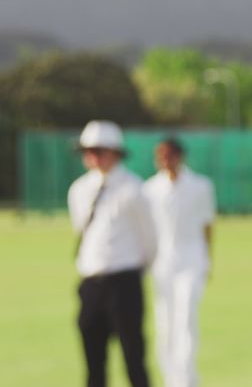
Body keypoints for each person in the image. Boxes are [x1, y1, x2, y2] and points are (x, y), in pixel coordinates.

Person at [69, 120, 156, 387]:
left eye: (99, 150)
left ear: (115, 153)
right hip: (91, 282)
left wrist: (134, 270)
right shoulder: (79, 189)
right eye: (88, 151)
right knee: (94, 362)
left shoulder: (133, 189)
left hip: (125, 281)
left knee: (133, 358)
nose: (93, 156)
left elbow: (150, 240)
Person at [143, 137, 216, 387]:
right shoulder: (150, 189)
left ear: (179, 156)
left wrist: (208, 260)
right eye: (160, 156)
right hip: (162, 264)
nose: (164, 161)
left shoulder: (200, 186)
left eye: (169, 155)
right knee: (165, 323)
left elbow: (207, 225)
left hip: (192, 259)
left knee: (186, 318)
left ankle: (186, 379)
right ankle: (170, 377)